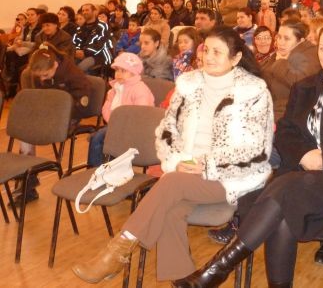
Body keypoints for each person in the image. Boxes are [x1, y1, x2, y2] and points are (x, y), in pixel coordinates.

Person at [174, 19, 323, 288]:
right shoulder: (305, 87)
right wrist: (304, 155)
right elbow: (286, 132)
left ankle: (218, 268)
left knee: (284, 191)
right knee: (282, 213)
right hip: (303, 178)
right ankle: (221, 271)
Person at [72, 26, 274, 284]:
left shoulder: (253, 93)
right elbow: (167, 130)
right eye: (207, 50)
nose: (209, 57)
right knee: (170, 210)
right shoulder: (189, 85)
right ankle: (182, 281)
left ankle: (118, 251)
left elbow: (256, 151)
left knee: (171, 184)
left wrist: (206, 165)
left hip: (230, 176)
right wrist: (178, 161)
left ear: (235, 58)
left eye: (218, 52)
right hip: (185, 171)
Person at [17, 44, 92, 203]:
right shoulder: (41, 74)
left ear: (56, 65)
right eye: (40, 77)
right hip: (49, 114)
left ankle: (28, 177)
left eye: (45, 75)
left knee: (29, 130)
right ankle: (28, 180)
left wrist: (59, 114)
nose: (42, 79)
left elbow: (81, 106)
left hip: (69, 116)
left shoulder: (73, 74)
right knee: (25, 130)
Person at [86, 53, 155, 166]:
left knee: (99, 138)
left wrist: (120, 126)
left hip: (135, 129)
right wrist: (113, 122)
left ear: (133, 72)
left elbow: (142, 115)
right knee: (97, 138)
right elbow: (106, 108)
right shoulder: (114, 89)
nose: (118, 74)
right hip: (116, 126)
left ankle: (98, 170)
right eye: (117, 70)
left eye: (123, 71)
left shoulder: (140, 89)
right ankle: (99, 168)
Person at [262, 19, 321, 122]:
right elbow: (262, 71)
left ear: (301, 40)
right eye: (279, 37)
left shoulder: (309, 54)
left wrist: (280, 62)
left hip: (289, 115)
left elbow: (300, 81)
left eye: (287, 38)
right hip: (271, 108)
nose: (281, 42)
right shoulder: (283, 53)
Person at [73, 3, 114, 73]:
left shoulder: (102, 26)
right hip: (81, 54)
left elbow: (100, 44)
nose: (84, 12)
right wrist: (76, 51)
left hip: (99, 55)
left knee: (80, 68)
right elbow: (75, 42)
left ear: (94, 12)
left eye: (87, 10)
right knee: (68, 66)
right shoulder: (80, 29)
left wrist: (84, 52)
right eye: (83, 11)